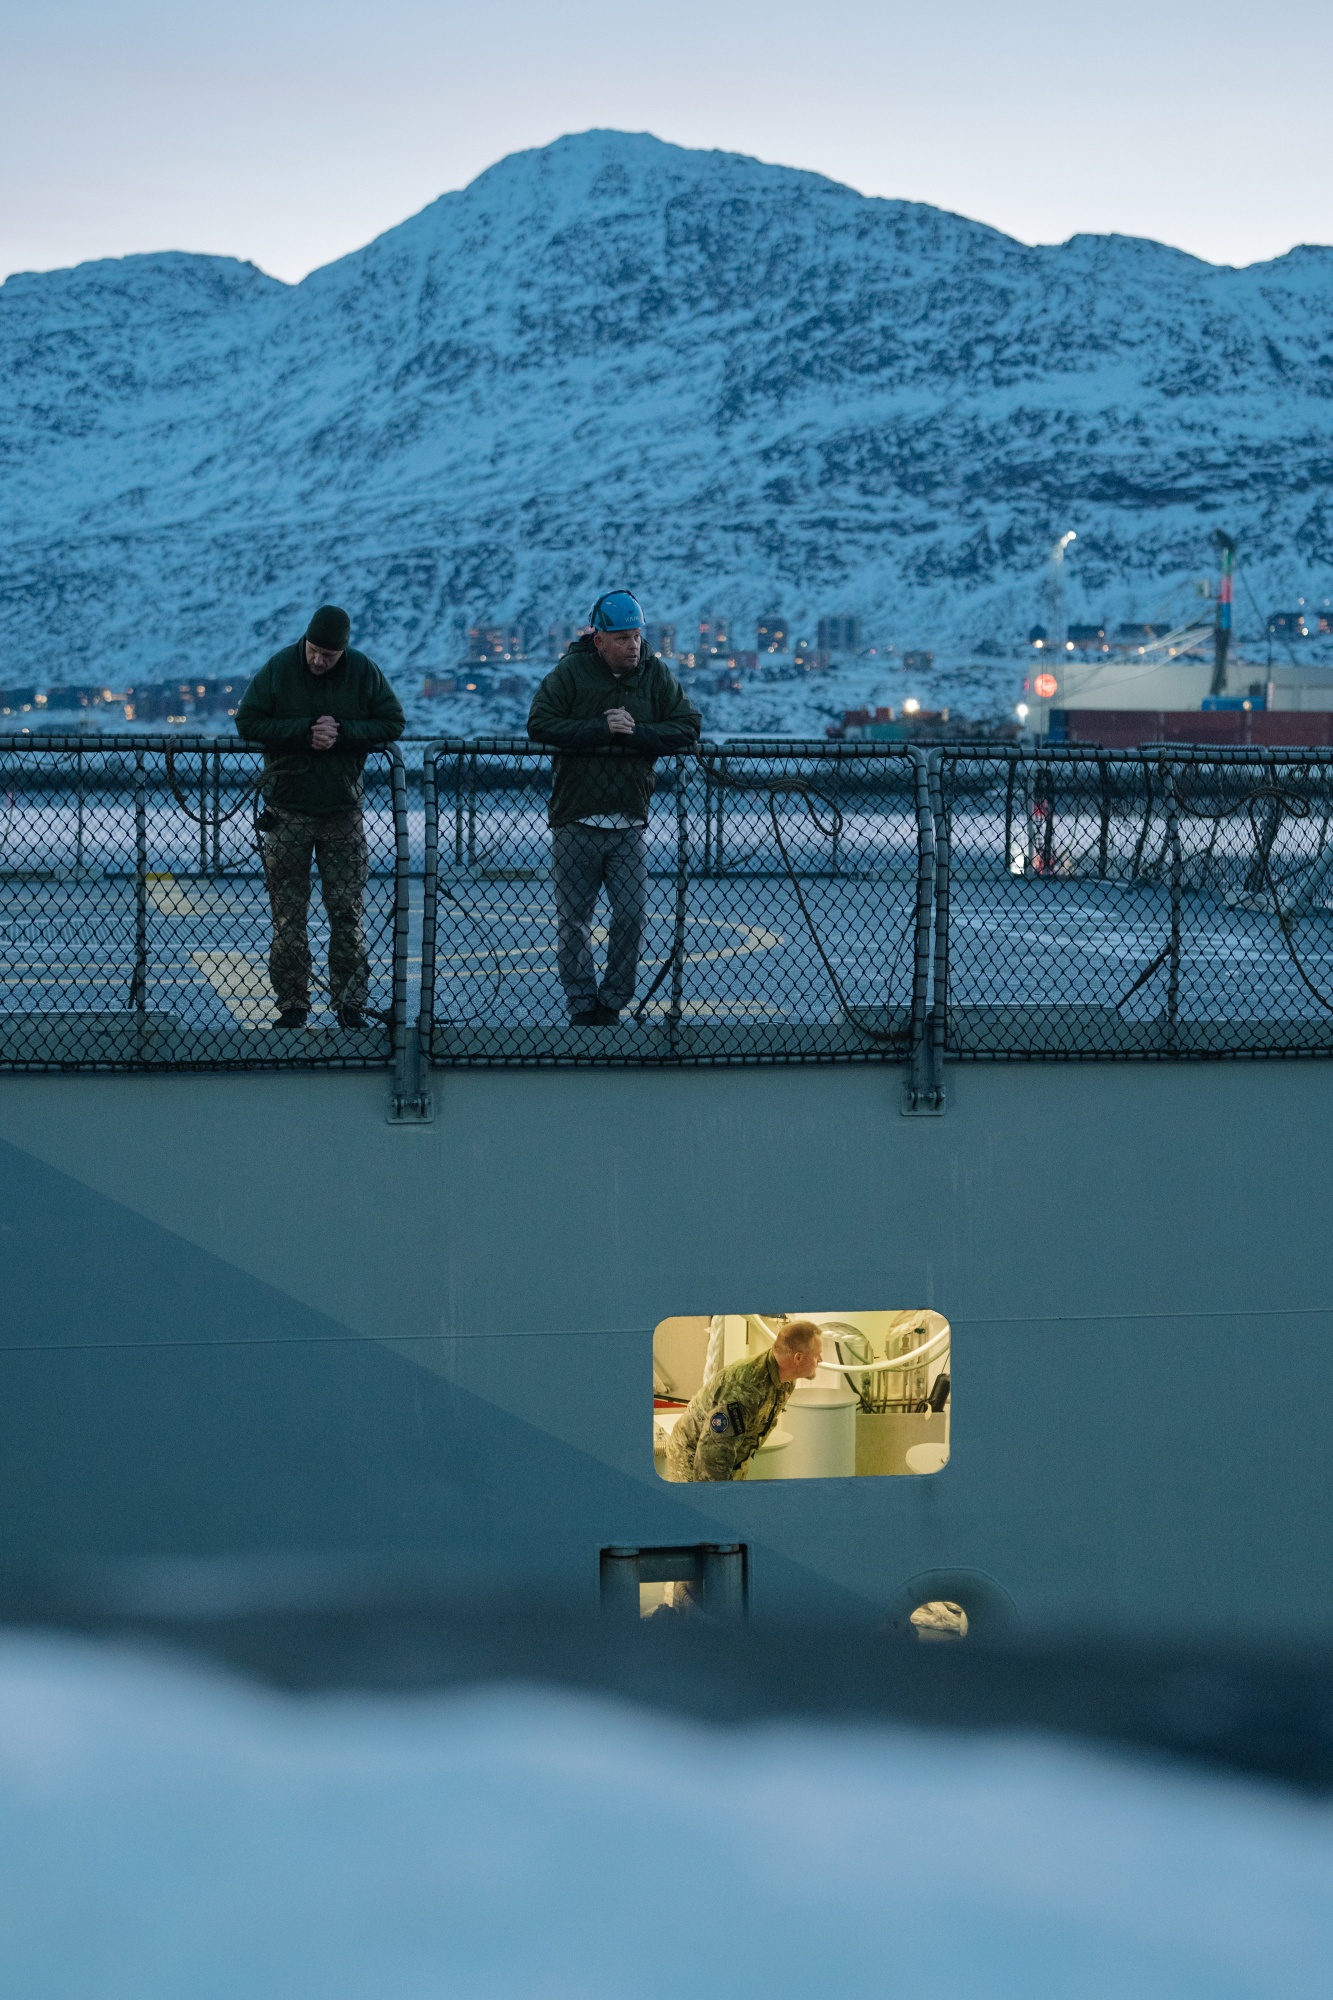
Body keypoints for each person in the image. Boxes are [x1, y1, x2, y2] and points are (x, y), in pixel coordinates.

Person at [527, 592, 701, 1026]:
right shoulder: (570, 672)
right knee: (574, 922)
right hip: (575, 818)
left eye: (637, 636)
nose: (634, 646)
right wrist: (599, 728)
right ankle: (582, 1005)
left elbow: (688, 726)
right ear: (599, 640)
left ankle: (612, 1001)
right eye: (623, 638)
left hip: (629, 821)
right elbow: (540, 724)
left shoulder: (655, 674)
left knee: (631, 915)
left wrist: (637, 733)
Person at [236, 605, 405, 1030]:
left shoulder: (363, 671)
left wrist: (343, 732)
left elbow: (392, 722)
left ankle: (350, 1003)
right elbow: (248, 721)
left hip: (341, 812)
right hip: (287, 809)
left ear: (343, 652)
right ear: (305, 642)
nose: (318, 661)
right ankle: (293, 1004)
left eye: (328, 656)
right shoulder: (279, 668)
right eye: (313, 651)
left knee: (346, 912)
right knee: (288, 914)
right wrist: (304, 732)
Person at [664, 1319, 824, 1482]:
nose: (821, 1360)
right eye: (817, 1355)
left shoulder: (787, 1379)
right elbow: (712, 1454)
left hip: (732, 1456)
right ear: (798, 1358)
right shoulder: (744, 1389)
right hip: (693, 1456)